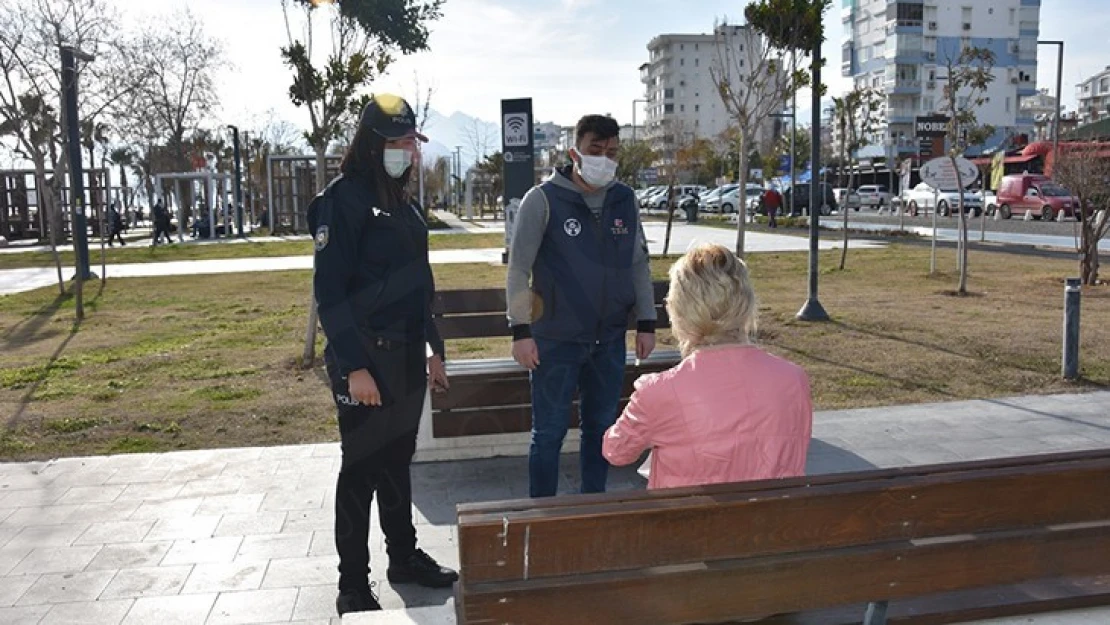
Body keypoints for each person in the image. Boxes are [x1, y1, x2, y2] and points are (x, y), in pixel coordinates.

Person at [309, 92, 457, 617]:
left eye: (411, 143)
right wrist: (353, 367)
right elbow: (330, 294)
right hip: (365, 360)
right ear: (372, 144)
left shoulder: (404, 201)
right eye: (396, 142)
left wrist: (433, 349)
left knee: (397, 464)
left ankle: (404, 558)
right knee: (360, 472)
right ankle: (352, 584)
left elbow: (421, 283)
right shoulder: (341, 201)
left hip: (405, 360)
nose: (406, 152)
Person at [507, 114, 657, 498]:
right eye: (596, 151)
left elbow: (638, 262)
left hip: (607, 340)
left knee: (602, 428)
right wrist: (520, 331)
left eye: (612, 153)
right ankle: (542, 517)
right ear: (574, 151)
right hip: (554, 340)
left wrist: (646, 321)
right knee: (549, 433)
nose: (604, 159)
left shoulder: (625, 199)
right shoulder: (541, 200)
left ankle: (593, 506)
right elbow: (519, 267)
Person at [602, 243, 813, 490]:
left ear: (679, 309)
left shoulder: (659, 391)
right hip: (774, 522)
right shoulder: (793, 379)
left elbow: (616, 452)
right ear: (745, 302)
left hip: (689, 524)